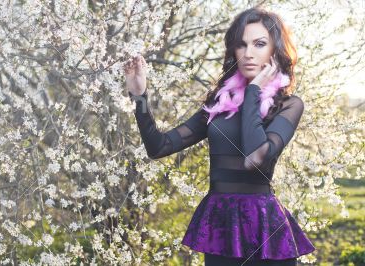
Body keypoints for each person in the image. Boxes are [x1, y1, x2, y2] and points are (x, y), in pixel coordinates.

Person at [123, 7, 315, 266]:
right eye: (241, 44)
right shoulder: (218, 104)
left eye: (259, 44)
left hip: (266, 228)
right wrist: (139, 96)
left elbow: (256, 158)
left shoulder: (288, 105)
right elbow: (159, 147)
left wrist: (254, 91)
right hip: (221, 225)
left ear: (275, 50)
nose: (248, 53)